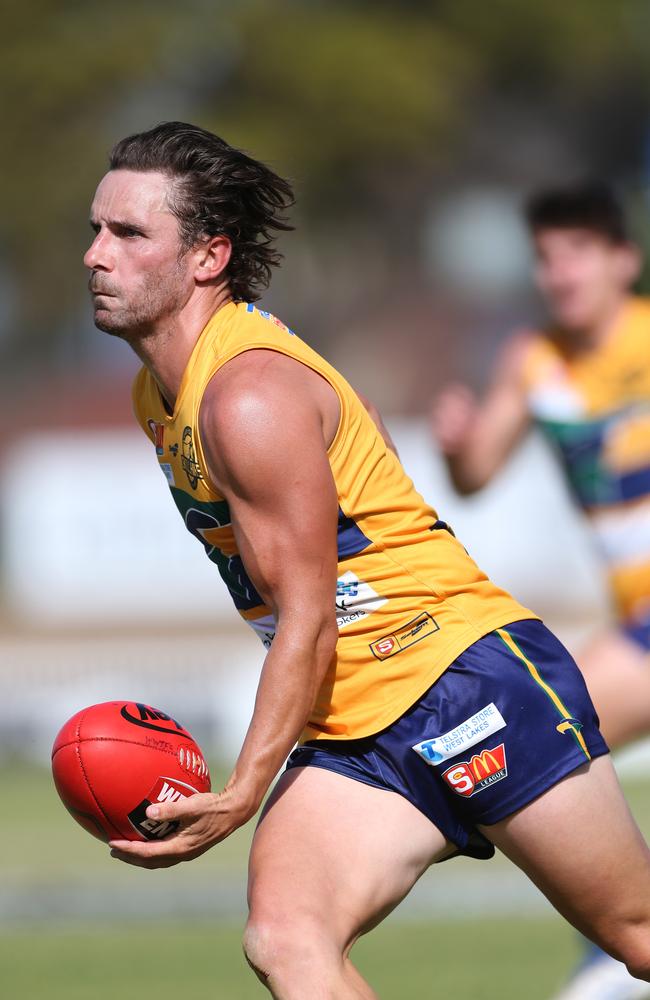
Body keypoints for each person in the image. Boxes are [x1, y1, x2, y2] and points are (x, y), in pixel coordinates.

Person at [85, 126, 650, 1000]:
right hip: (356, 725)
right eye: (96, 229)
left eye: (128, 235)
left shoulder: (247, 394)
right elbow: (368, 442)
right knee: (286, 938)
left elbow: (305, 616)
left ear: (209, 257)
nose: (94, 255)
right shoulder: (158, 393)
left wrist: (242, 791)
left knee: (635, 933)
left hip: (465, 679)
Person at [432, 180, 650, 1000]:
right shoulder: (535, 359)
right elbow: (477, 472)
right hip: (636, 622)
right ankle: (621, 946)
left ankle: (615, 959)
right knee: (556, 752)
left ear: (623, 260)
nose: (560, 274)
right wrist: (456, 444)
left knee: (551, 742)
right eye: (547, 258)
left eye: (579, 253)